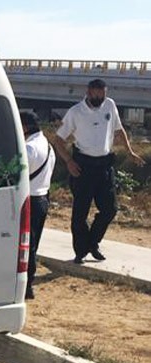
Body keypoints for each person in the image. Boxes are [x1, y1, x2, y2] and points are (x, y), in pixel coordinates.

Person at [53, 79, 146, 264]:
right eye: (95, 93)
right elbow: (58, 139)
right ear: (88, 92)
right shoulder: (76, 112)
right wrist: (69, 161)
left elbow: (119, 130)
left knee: (110, 209)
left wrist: (130, 151)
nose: (99, 97)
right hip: (83, 166)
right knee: (80, 213)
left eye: (101, 93)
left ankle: (92, 243)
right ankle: (81, 251)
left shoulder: (110, 105)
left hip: (104, 165)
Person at [20, 112, 55, 300]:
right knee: (34, 243)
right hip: (42, 198)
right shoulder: (47, 146)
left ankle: (27, 284)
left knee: (27, 245)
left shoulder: (29, 148)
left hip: (30, 199)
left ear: (24, 127)